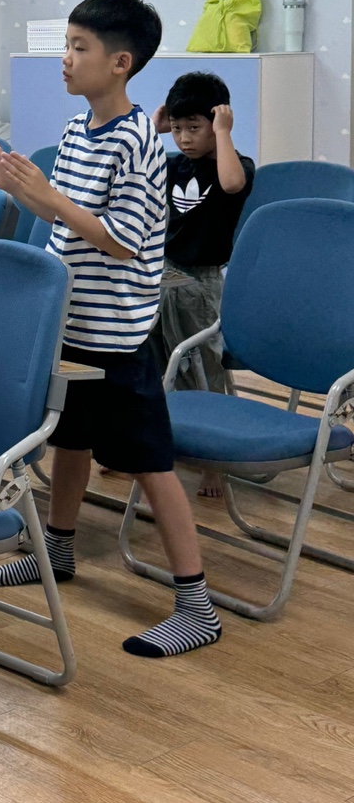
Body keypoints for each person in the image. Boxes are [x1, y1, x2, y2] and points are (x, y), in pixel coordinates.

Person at [0, 0, 222, 658]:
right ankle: (58, 549)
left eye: (80, 47)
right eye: (67, 45)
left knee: (149, 464)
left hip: (114, 335)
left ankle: (197, 605)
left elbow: (123, 241)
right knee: (70, 441)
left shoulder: (138, 143)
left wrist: (47, 195)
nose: (66, 58)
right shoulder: (79, 129)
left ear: (120, 62)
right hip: (69, 322)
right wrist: (14, 187)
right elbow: (64, 218)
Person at [152, 73, 254, 494]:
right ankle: (155, 441)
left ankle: (215, 458)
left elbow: (232, 184)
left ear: (216, 121)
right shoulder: (174, 164)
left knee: (203, 363)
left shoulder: (233, 164)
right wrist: (154, 127)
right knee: (157, 359)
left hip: (203, 279)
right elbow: (137, 169)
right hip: (165, 271)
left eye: (194, 127)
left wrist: (223, 132)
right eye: (177, 129)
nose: (184, 138)